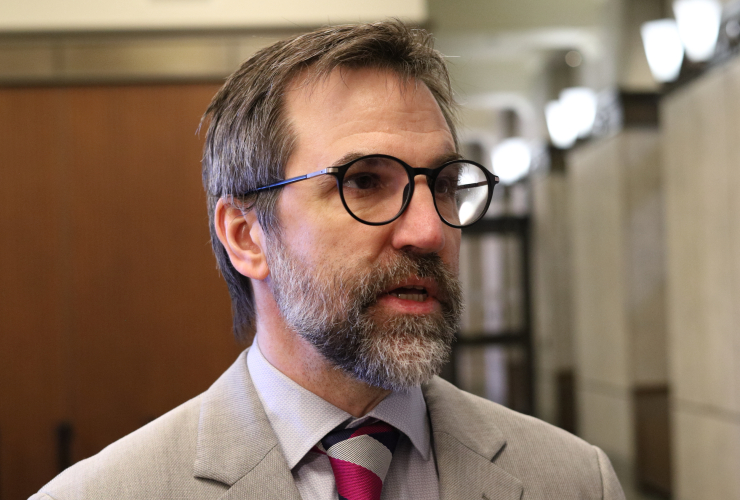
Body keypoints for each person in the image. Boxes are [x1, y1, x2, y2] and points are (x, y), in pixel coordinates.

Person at [32, 21, 625, 500]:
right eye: (364, 181)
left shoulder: (574, 480)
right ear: (246, 236)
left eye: (444, 184)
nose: (427, 230)